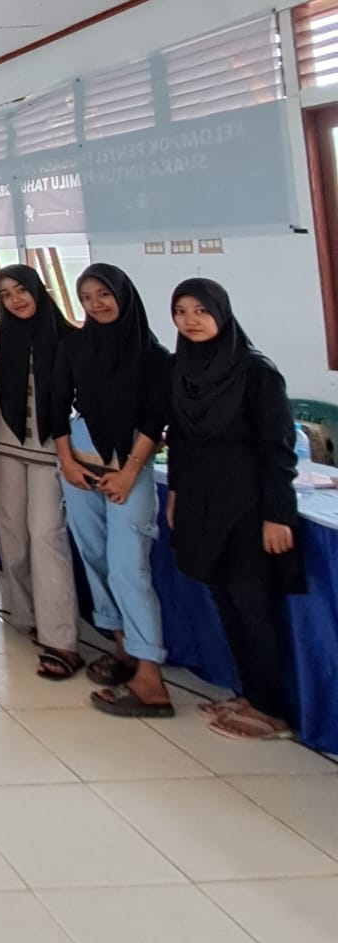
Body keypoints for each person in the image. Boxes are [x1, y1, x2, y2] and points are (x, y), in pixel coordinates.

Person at [166, 280, 303, 742]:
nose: (191, 320)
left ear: (221, 313)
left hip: (248, 507)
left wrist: (278, 515)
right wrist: (176, 494)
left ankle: (273, 712)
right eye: (181, 311)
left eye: (201, 310)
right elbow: (180, 440)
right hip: (202, 505)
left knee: (253, 605)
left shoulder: (257, 374)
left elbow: (278, 450)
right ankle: (251, 694)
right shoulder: (184, 370)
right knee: (225, 600)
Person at [51, 264, 173, 718]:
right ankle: (122, 647)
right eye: (86, 298)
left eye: (103, 294)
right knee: (95, 557)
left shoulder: (153, 355)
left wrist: (128, 473)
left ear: (123, 295)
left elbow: (154, 419)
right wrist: (66, 461)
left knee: (127, 567)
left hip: (128, 471)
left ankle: (150, 677)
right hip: (80, 470)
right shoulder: (75, 346)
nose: (96, 304)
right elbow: (56, 405)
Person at [0, 266, 83, 681]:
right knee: (12, 535)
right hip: (3, 447)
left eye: (21, 290)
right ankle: (25, 616)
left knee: (46, 536)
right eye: (6, 294)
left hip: (51, 451)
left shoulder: (69, 337)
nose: (15, 300)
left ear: (39, 290)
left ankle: (60, 636)